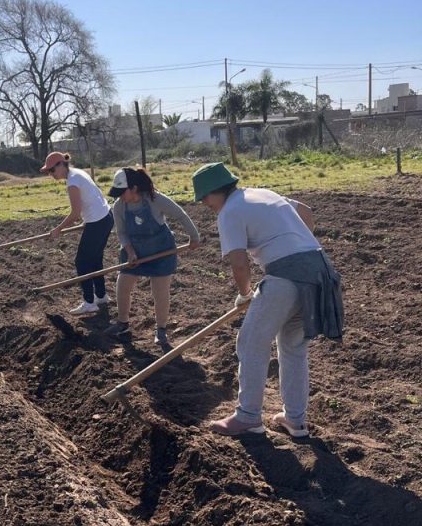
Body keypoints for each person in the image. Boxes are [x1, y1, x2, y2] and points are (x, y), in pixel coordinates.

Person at [192, 162, 343, 438]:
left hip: (286, 276)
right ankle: (295, 420)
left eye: (204, 197)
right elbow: (306, 213)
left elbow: (239, 263)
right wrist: (297, 243)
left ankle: (248, 416)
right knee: (293, 347)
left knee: (250, 343)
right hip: (319, 272)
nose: (204, 203)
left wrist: (245, 294)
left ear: (216, 192)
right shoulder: (265, 194)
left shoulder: (230, 212)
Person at [105, 167, 201, 350]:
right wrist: (131, 252)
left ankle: (161, 330)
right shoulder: (119, 206)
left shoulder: (154, 199)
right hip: (135, 251)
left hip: (161, 251)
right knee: (123, 284)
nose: (119, 196)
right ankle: (122, 323)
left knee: (159, 292)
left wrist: (194, 237)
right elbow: (122, 233)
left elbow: (180, 214)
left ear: (133, 188)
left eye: (121, 192)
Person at [42, 151, 114, 315]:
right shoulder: (78, 173)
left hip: (97, 222)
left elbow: (75, 213)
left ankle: (89, 302)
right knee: (95, 259)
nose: (50, 174)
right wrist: (87, 220)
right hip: (106, 217)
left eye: (52, 170)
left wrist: (58, 229)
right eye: (48, 172)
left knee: (81, 262)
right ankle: (101, 296)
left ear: (61, 165)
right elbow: (94, 196)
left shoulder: (72, 182)